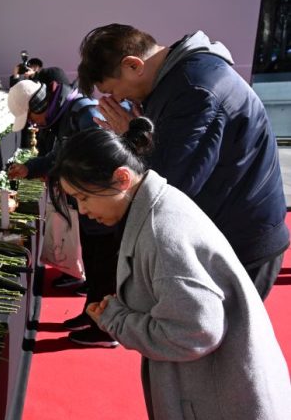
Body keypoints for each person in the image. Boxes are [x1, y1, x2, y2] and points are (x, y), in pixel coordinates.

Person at [49, 118, 291, 419]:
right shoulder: (157, 205)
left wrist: (117, 319)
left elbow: (195, 333)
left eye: (83, 198)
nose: (83, 210)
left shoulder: (163, 235)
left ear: (122, 179)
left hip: (219, 402)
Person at [77, 24, 289, 300]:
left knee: (213, 340)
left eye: (119, 93)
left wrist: (132, 139)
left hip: (240, 242)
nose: (120, 101)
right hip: (232, 233)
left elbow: (170, 186)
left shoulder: (193, 89)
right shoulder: (184, 78)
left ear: (133, 65)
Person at [6, 79, 120, 347]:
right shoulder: (67, 116)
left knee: (104, 266)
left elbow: (105, 160)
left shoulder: (85, 114)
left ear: (40, 105)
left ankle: (105, 330)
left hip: (102, 206)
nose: (33, 124)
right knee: (93, 264)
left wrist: (70, 180)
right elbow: (58, 156)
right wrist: (31, 168)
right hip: (90, 205)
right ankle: (92, 315)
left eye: (32, 117)